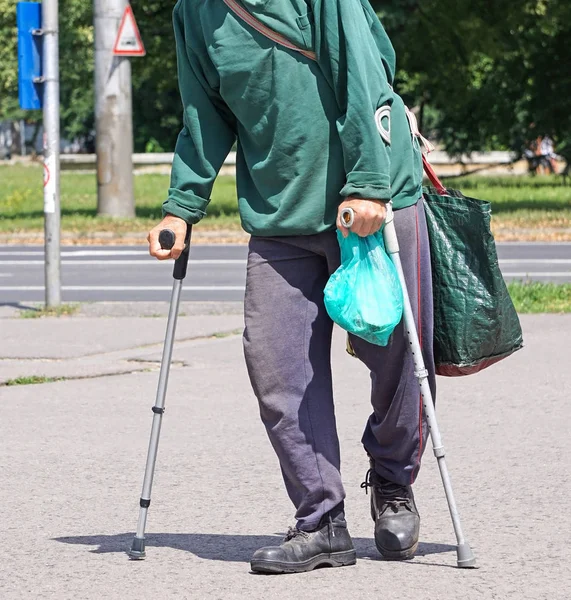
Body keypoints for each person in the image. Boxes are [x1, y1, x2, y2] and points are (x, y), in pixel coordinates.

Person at [147, 0, 435, 574]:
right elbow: (204, 114)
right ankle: (321, 519)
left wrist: (371, 184)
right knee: (276, 367)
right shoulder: (193, 13)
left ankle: (393, 477)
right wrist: (182, 207)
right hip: (281, 216)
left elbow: (363, 70)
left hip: (372, 199)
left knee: (398, 359)